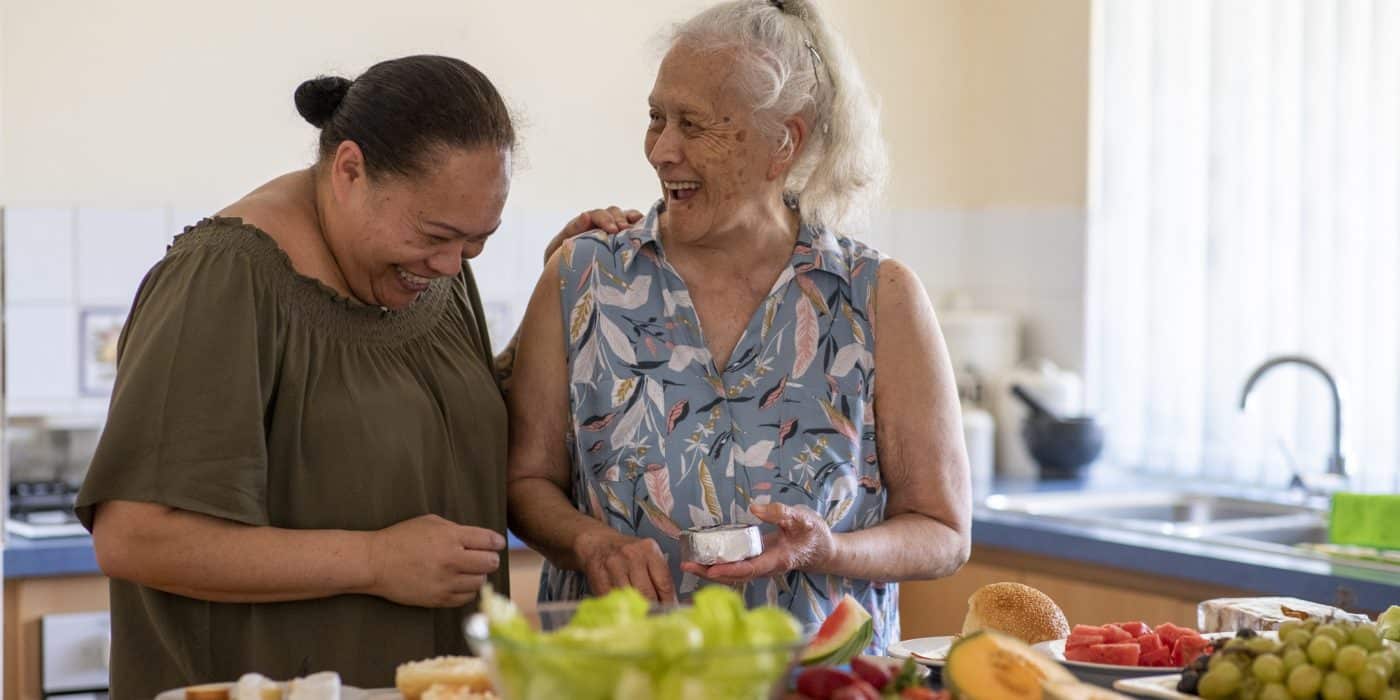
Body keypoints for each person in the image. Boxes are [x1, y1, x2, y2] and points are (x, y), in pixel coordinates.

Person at [75, 55, 637, 697]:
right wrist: (373, 561)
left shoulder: (425, 270)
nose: (454, 264)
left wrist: (561, 285)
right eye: (439, 234)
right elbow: (136, 537)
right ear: (349, 170)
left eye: (477, 242)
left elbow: (451, 426)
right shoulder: (225, 278)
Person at [507, 0, 972, 653]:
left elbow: (943, 532)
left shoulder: (879, 298)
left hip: (821, 687)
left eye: (694, 125)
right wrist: (591, 542)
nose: (662, 151)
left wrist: (829, 549)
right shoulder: (583, 276)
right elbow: (525, 482)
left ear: (784, 142)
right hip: (619, 678)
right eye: (656, 118)